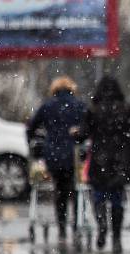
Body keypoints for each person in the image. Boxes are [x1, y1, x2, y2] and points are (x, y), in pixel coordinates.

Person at [74, 75, 130, 253]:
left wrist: (75, 133)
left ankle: (102, 226)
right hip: (122, 162)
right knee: (117, 198)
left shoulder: (93, 111)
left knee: (98, 195)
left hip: (99, 161)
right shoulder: (127, 109)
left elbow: (82, 135)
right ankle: (116, 238)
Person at [27, 76, 87, 242]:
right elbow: (87, 127)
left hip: (53, 154)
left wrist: (35, 143)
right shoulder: (79, 105)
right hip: (73, 154)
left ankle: (61, 227)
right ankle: (76, 224)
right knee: (75, 190)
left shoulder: (47, 106)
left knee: (59, 190)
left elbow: (31, 127)